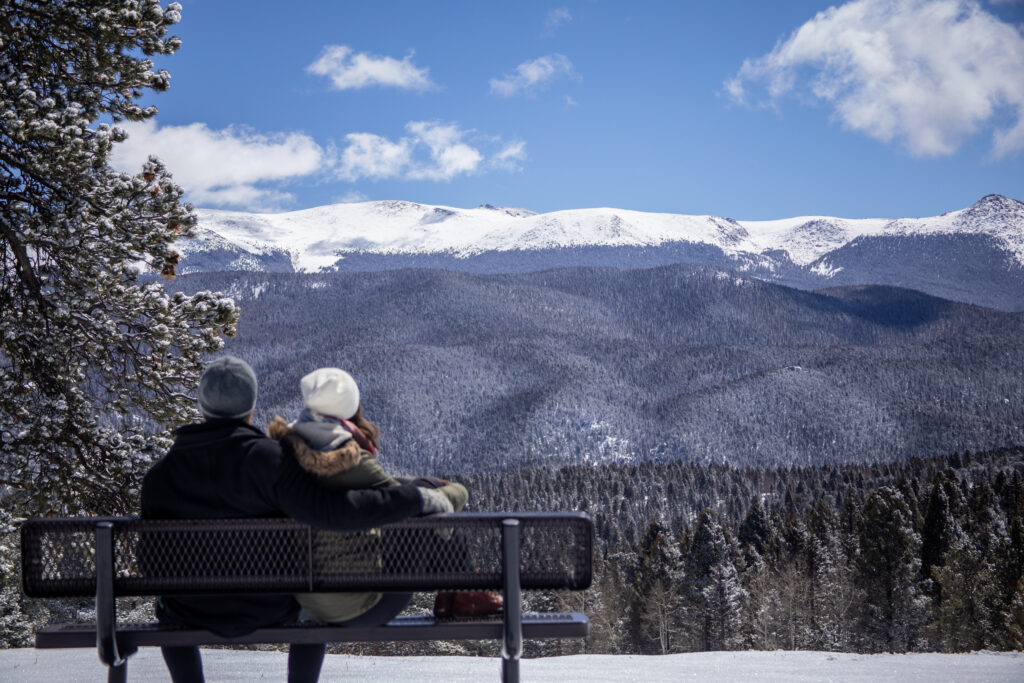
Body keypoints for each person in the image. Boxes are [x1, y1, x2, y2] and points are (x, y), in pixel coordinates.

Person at [140, 356, 453, 683]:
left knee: (166, 610)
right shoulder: (270, 460)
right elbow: (332, 512)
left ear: (203, 406)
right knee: (310, 608)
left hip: (188, 610)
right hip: (272, 605)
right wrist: (411, 497)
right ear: (251, 406)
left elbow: (151, 563)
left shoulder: (160, 476)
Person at [267, 367, 502, 622]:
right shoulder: (350, 460)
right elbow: (404, 502)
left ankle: (458, 592)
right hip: (363, 606)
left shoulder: (285, 454)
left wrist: (419, 486)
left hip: (306, 602)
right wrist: (457, 490)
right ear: (350, 406)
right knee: (422, 512)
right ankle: (462, 591)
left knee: (421, 489)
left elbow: (383, 490)